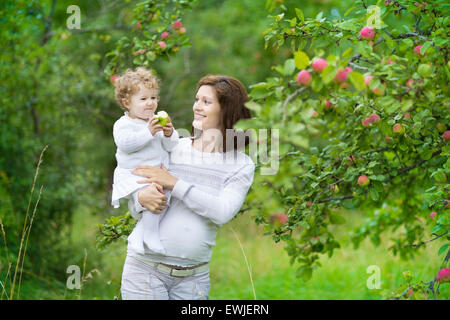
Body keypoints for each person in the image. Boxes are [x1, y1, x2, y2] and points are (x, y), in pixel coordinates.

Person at [120, 75, 255, 300]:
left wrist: (174, 183)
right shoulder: (173, 147)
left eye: (206, 102)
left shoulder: (241, 165)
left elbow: (222, 212)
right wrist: (140, 197)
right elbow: (136, 191)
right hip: (146, 271)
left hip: (194, 279)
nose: (197, 107)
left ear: (227, 110)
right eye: (196, 99)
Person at [111, 67, 179, 255]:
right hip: (134, 174)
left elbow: (171, 146)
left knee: (164, 198)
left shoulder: (155, 120)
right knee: (152, 196)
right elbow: (126, 144)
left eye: (153, 98)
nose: (150, 103)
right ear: (127, 102)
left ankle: (140, 233)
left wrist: (169, 133)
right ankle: (149, 235)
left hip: (156, 173)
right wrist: (148, 132)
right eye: (143, 99)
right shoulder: (124, 124)